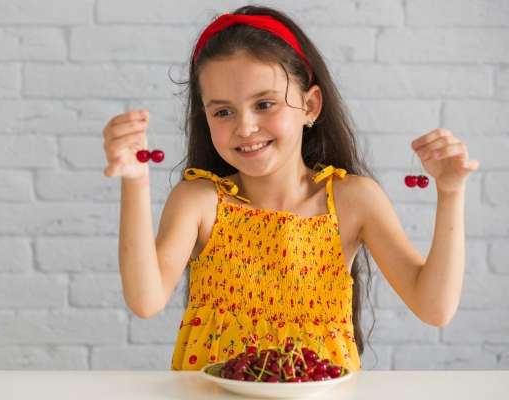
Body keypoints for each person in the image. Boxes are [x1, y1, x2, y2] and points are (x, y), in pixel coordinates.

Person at [102, 5, 479, 373]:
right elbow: (145, 300)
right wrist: (135, 181)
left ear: (310, 105)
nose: (245, 127)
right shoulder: (199, 201)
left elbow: (434, 308)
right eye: (223, 111)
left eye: (264, 104)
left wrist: (450, 193)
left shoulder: (353, 200)